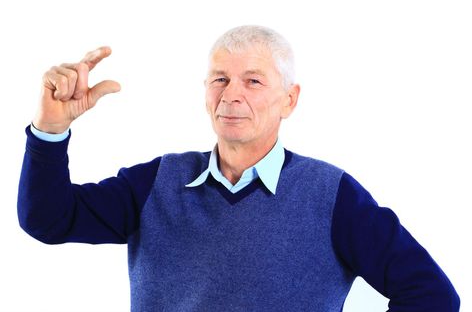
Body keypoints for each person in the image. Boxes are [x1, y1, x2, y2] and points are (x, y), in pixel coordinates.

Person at [18, 25, 460, 311]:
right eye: (220, 79)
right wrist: (49, 131)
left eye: (253, 80)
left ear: (290, 99)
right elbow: (48, 219)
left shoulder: (330, 195)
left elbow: (433, 296)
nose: (232, 94)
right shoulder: (156, 183)